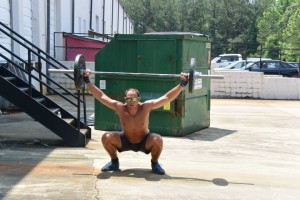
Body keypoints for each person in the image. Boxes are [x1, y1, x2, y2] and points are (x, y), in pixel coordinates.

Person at [83, 70, 188, 175]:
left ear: (138, 99)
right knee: (106, 137)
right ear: (125, 99)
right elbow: (101, 96)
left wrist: (182, 84)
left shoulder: (146, 106)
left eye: (134, 99)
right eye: (128, 99)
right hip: (125, 140)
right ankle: (114, 162)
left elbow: (166, 98)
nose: (131, 101)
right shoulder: (120, 107)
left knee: (158, 139)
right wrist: (87, 80)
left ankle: (155, 163)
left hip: (144, 141)